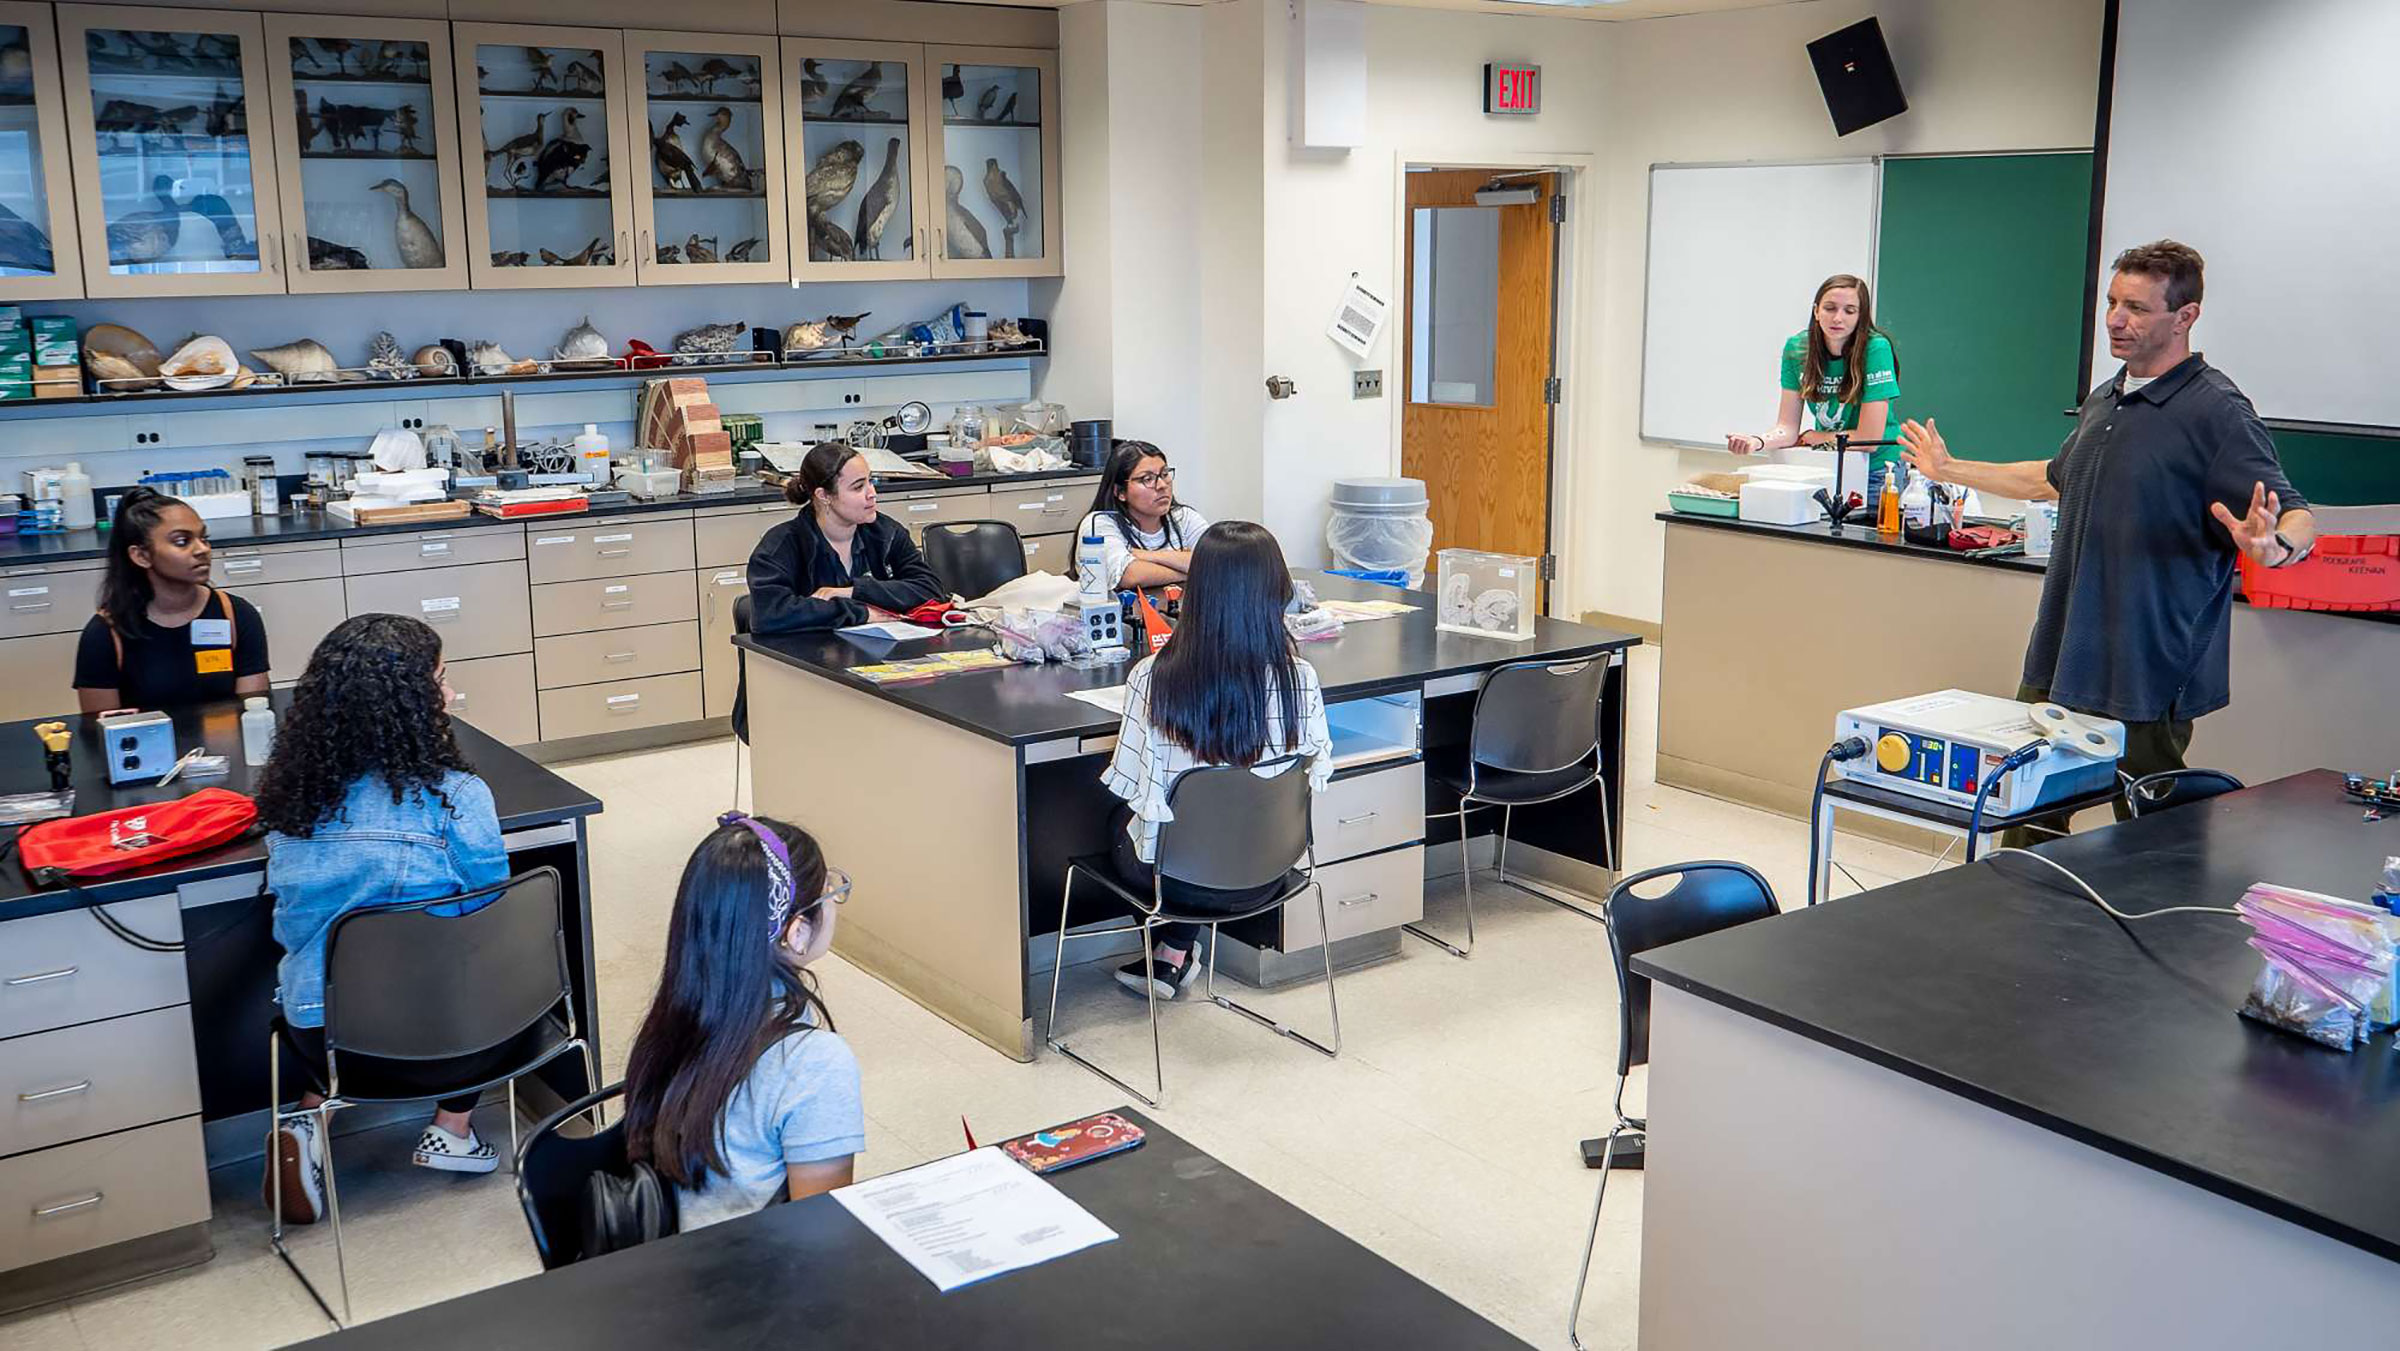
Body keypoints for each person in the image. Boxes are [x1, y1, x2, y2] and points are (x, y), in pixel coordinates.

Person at [1898, 239, 2315, 835]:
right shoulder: (2106, 398)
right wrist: (1951, 469)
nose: (2116, 320)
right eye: (2113, 303)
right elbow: (2051, 478)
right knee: (2026, 812)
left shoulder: (2215, 409)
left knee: (2153, 837)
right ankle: (2021, 924)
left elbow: (2298, 515)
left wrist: (2273, 546)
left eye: (2138, 308)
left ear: (2185, 316)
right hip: (2063, 655)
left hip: (2148, 666)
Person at [256, 614, 512, 1223]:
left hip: (325, 1041)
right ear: (408, 703)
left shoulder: (290, 804)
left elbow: (291, 924)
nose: (449, 695)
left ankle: (308, 1118)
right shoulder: (457, 796)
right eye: (440, 681)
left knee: (330, 981)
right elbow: (487, 909)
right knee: (482, 965)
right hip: (446, 1043)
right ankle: (452, 1128)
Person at [1100, 521, 1333, 999]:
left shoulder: (1153, 677)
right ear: (1278, 590)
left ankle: (1168, 953)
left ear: (1196, 590)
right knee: (1200, 823)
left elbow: (1129, 786)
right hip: (1270, 871)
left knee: (1121, 820)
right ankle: (1172, 956)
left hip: (1178, 881)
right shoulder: (1300, 679)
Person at [621, 814, 862, 1230]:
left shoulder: (676, 1016)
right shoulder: (814, 1062)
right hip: (755, 1277)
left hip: (676, 1260)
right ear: (797, 932)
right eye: (830, 893)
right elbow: (821, 1235)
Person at [735, 440, 944, 738]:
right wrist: (860, 612)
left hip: (876, 677)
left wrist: (852, 591)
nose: (872, 494)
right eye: (858, 487)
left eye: (871, 482)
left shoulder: (885, 533)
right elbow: (771, 614)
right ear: (823, 496)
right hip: (801, 688)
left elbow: (931, 590)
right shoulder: (781, 546)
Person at [74, 487, 269, 713]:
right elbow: (101, 733)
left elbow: (255, 714)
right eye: (182, 541)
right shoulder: (104, 635)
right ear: (141, 556)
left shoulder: (237, 615)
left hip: (228, 746)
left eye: (204, 538)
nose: (202, 549)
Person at [1725, 273, 1903, 506]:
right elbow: (1787, 428)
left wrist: (1815, 438)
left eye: (1849, 311)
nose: (1838, 318)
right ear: (1816, 312)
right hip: (1827, 465)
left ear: (1861, 316)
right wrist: (1756, 441)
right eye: (1830, 308)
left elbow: (1868, 439)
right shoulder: (1798, 348)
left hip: (1877, 470)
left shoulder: (1876, 349)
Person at [1075, 441, 1211, 592]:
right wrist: (1189, 569)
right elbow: (1130, 575)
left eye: (1164, 474)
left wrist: (1148, 556)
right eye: (1147, 479)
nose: (1162, 485)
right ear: (1120, 492)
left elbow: (1216, 562)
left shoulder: (1183, 517)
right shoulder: (1098, 523)